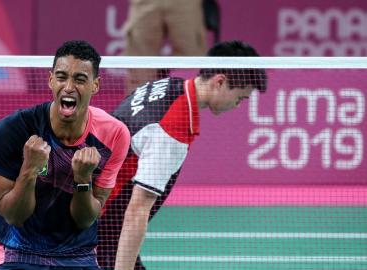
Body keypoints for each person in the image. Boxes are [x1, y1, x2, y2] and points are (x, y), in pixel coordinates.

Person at [97, 40, 268, 270]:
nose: (237, 106)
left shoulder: (168, 86)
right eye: (239, 98)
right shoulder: (172, 127)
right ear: (220, 81)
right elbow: (137, 210)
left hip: (101, 219)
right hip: (98, 228)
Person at [0, 40, 130, 270]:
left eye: (80, 79)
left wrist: (83, 180)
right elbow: (14, 216)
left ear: (95, 85)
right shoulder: (12, 130)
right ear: (51, 79)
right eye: (62, 77)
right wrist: (30, 169)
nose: (69, 87)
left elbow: (85, 219)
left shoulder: (114, 135)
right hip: (16, 250)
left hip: (77, 253)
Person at [122, 0, 208, 94]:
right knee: (140, 61)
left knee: (190, 59)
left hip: (185, 3)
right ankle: (137, 106)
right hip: (145, 3)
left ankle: (188, 105)